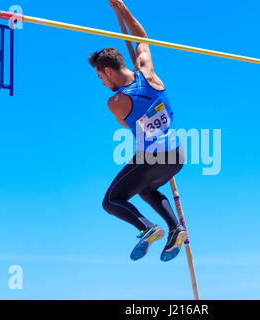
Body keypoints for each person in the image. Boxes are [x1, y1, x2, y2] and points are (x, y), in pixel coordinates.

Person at [88, 0, 187, 262]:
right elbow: (141, 36)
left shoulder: (116, 102)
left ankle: (147, 228)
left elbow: (125, 122)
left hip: (152, 160)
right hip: (177, 157)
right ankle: (175, 228)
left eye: (101, 77)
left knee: (111, 201)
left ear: (107, 70)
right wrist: (120, 6)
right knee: (145, 190)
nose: (102, 82)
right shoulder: (149, 73)